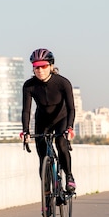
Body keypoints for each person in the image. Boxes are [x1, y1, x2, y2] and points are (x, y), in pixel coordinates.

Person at [20, 48, 76, 194]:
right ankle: (46, 193)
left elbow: (71, 108)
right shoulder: (29, 85)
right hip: (42, 120)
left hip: (61, 118)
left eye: (43, 66)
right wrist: (25, 131)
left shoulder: (62, 83)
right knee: (42, 154)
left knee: (60, 143)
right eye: (36, 67)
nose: (40, 70)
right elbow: (26, 110)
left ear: (51, 66)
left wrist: (69, 128)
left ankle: (69, 176)